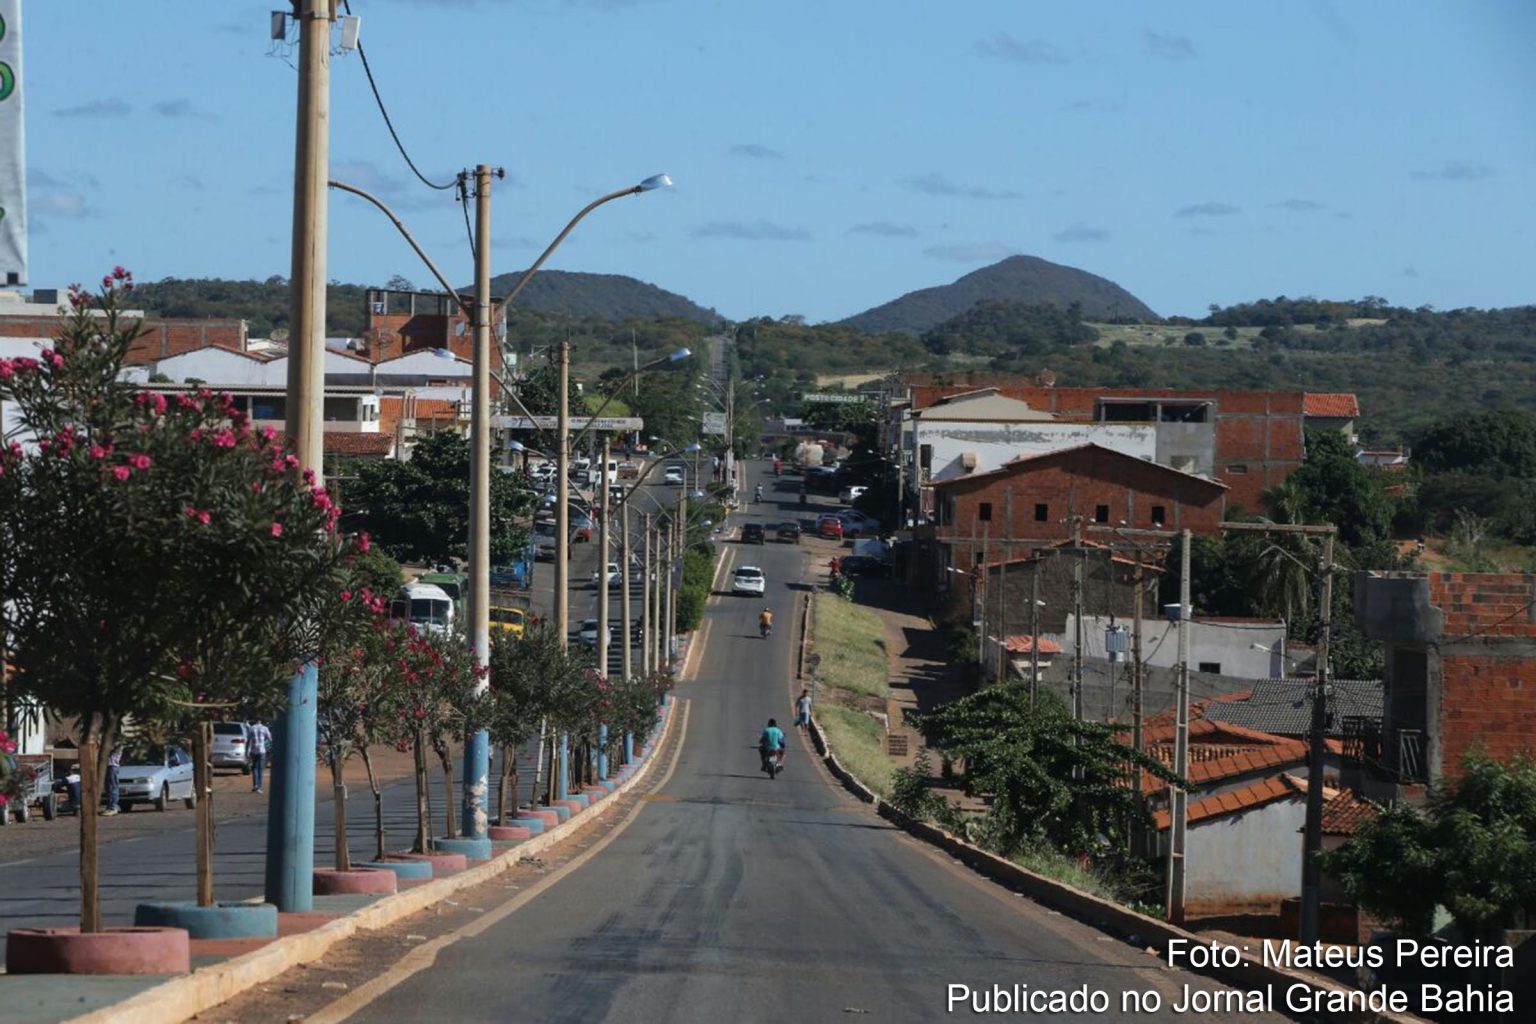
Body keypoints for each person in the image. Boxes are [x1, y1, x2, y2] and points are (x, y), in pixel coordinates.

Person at [249, 721, 273, 794]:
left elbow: (248, 740)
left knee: (254, 768)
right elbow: (270, 739)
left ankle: (255, 785)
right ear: (261, 722)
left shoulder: (251, 728)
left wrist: (247, 750)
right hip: (262, 750)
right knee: (260, 768)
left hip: (253, 750)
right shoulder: (265, 728)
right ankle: (259, 787)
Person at [101, 743, 122, 816]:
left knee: (112, 786)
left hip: (113, 766)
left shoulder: (116, 743)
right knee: (108, 787)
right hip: (108, 766)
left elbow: (109, 749)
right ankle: (109, 806)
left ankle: (113, 807)